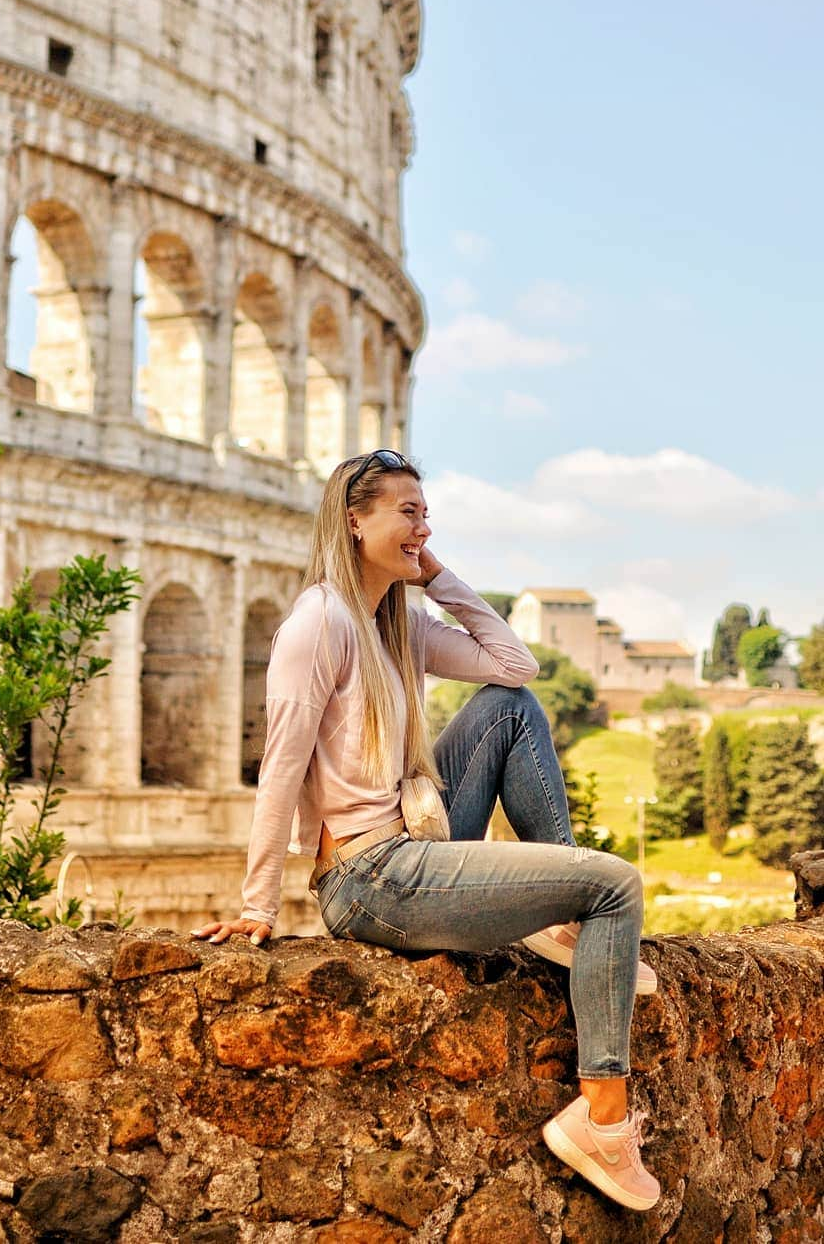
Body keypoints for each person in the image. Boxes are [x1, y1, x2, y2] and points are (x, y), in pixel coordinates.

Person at [193, 450, 660, 1212]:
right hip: (369, 878)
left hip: (418, 843)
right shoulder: (318, 625)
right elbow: (279, 768)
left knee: (510, 709)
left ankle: (572, 928)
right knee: (615, 882)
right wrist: (260, 908)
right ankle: (601, 1120)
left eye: (425, 512)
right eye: (407, 513)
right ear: (354, 520)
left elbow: (516, 664)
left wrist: (436, 575)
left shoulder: (398, 622)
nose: (423, 525)